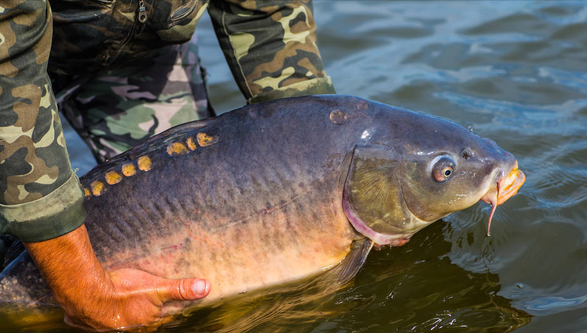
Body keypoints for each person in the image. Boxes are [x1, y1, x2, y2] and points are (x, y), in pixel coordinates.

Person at [0, 0, 335, 330]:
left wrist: (321, 169)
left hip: (139, 47)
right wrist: (82, 287)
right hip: (9, 64)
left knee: (195, 249)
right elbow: (9, 75)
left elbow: (265, 8)